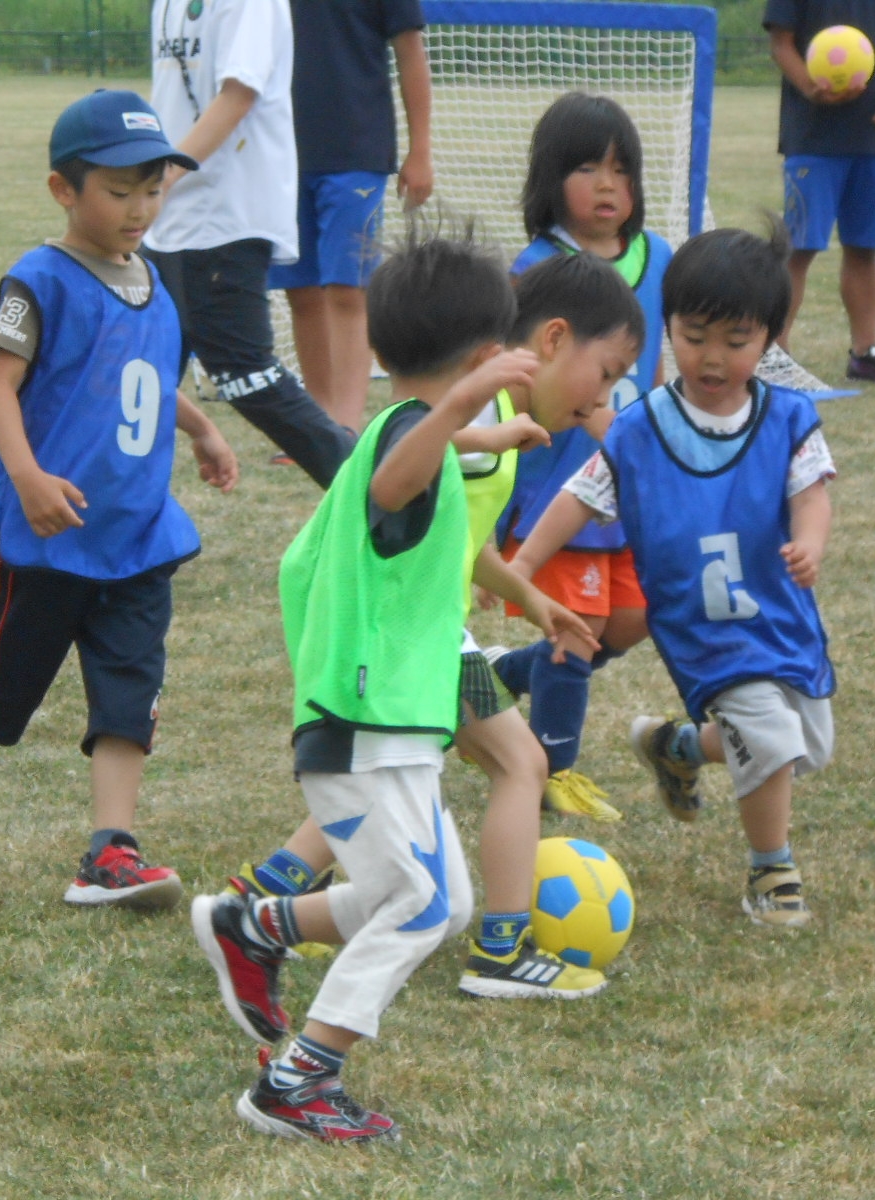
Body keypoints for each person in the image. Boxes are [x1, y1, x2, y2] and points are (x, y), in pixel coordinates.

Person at [191, 228, 546, 1144]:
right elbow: (397, 481)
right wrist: (473, 402)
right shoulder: (398, 441)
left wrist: (485, 424)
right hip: (361, 723)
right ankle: (298, 1080)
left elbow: (426, 450)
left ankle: (257, 926)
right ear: (478, 360)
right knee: (419, 903)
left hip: (397, 727)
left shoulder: (420, 429)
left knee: (442, 900)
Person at [215, 253, 644, 999]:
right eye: (605, 372)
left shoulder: (487, 419)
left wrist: (527, 594)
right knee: (517, 764)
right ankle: (502, 949)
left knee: (399, 780)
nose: (606, 395)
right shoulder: (479, 404)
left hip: (409, 626)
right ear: (549, 341)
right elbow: (402, 477)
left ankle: (266, 895)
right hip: (398, 633)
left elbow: (452, 528)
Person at [0, 90, 239, 908]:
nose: (139, 208)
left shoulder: (152, 281)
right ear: (64, 191)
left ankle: (110, 848)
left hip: (139, 536)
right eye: (119, 191)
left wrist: (198, 429)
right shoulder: (36, 282)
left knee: (129, 691)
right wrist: (29, 478)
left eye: (152, 189)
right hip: (47, 540)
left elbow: (144, 379)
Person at [509, 222, 835, 929]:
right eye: (694, 336)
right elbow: (580, 497)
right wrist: (526, 565)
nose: (712, 357)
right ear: (669, 325)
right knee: (770, 742)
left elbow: (812, 492)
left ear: (771, 338)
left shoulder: (788, 417)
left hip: (780, 615)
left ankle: (678, 747)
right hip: (702, 627)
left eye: (736, 341)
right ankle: (770, 870)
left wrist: (809, 543)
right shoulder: (642, 426)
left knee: (807, 743)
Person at [489, 93, 676, 824]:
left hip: (631, 486)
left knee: (630, 618)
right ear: (549, 178)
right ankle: (551, 766)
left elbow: (661, 359)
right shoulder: (536, 267)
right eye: (588, 167)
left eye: (622, 170)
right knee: (576, 625)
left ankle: (491, 678)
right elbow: (510, 371)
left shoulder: (658, 256)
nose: (608, 185)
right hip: (556, 487)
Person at [146, 0, 355, 487]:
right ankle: (114, 524)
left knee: (246, 374)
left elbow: (238, 95)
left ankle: (383, 500)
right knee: (139, 366)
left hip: (226, 215)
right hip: (167, 218)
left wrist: (168, 172)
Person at [266, 0, 434, 435]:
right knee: (300, 291)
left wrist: (421, 151)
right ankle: (318, 423)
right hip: (281, 153)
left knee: (346, 289)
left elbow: (411, 51)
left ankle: (344, 427)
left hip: (357, 151)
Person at [765, 0, 875, 385]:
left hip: (873, 138)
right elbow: (781, 43)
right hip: (813, 140)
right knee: (799, 247)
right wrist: (810, 88)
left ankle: (865, 355)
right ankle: (774, 355)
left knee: (865, 248)